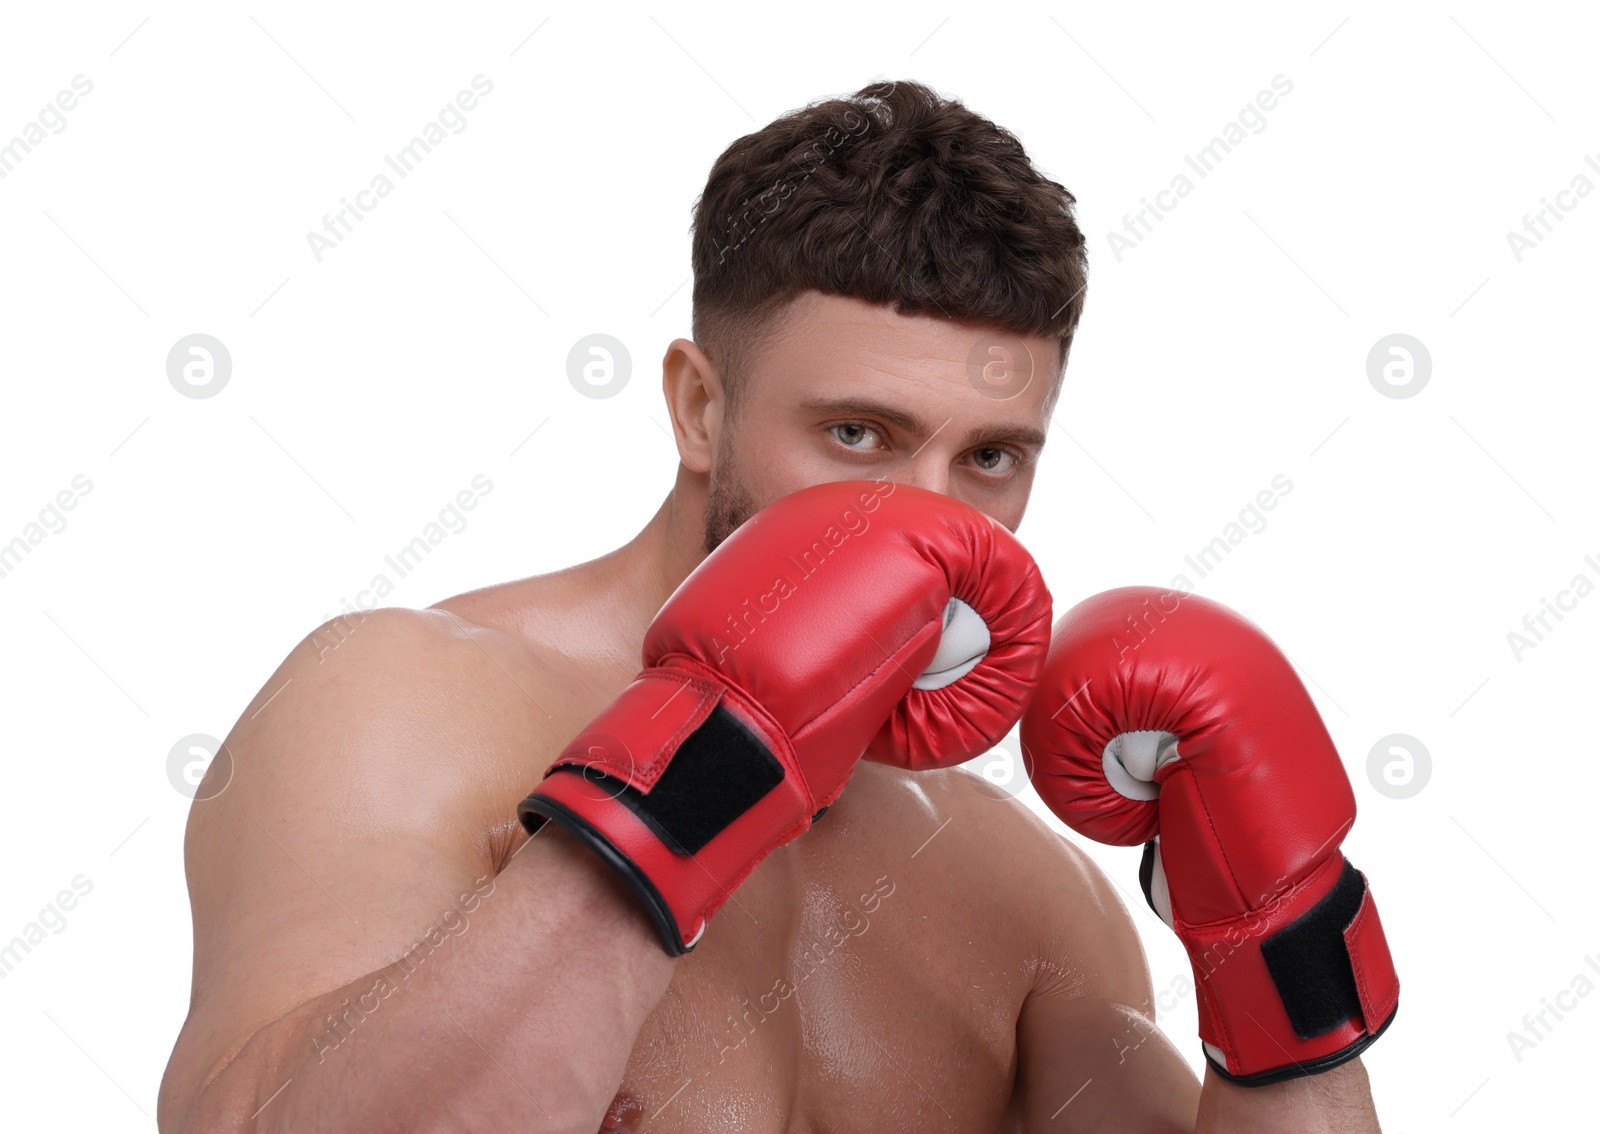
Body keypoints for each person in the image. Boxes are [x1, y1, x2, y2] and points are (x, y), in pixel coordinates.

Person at [158, 79, 1392, 1132]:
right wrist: (677, 784)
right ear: (701, 407)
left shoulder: (1021, 894)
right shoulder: (404, 701)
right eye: (857, 433)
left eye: (989, 459)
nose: (934, 522)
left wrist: (1276, 941)